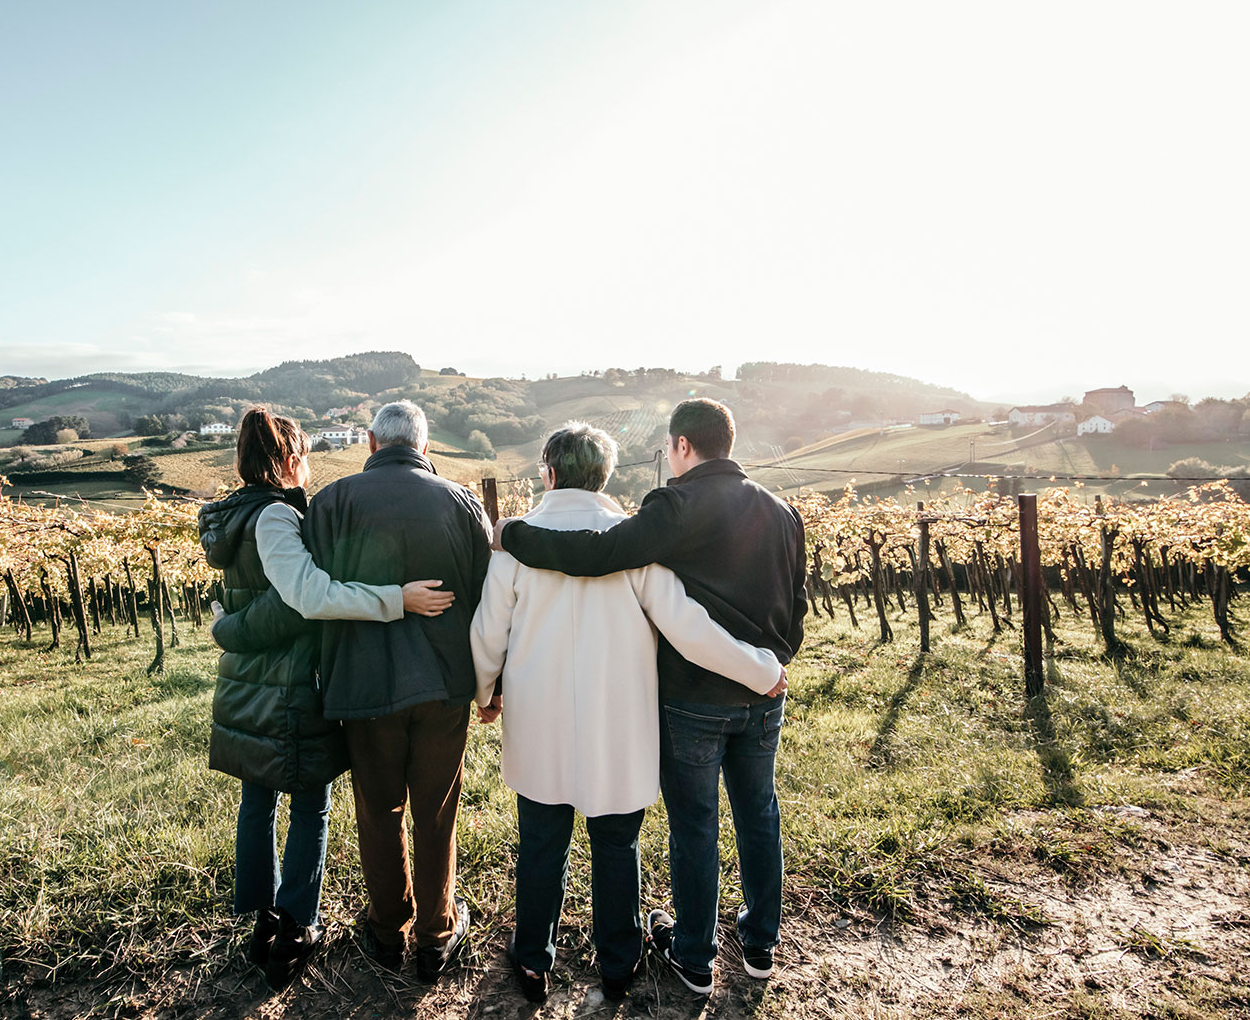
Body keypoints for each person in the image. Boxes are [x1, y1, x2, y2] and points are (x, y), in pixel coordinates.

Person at [496, 398, 806, 994]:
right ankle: (758, 946)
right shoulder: (782, 510)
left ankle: (693, 957)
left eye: (668, 448)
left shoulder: (675, 505)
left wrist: (513, 535)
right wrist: (771, 665)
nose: (668, 458)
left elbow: (599, 554)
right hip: (765, 690)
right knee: (759, 814)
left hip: (695, 698)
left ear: (683, 446)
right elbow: (796, 605)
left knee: (694, 824)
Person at [198, 407, 455, 990]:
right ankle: (295, 924)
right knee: (308, 803)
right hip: (289, 685)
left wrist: (228, 628)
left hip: (249, 683)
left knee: (258, 799)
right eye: (305, 455)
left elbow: (249, 602)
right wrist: (396, 598)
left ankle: (262, 920)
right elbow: (305, 596)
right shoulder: (275, 516)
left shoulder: (232, 519)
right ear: (288, 459)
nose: (310, 466)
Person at [290, 400, 491, 983]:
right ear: (425, 448)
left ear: (372, 443)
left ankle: (386, 933)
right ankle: (436, 934)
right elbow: (484, 599)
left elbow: (318, 593)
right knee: (437, 811)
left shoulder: (329, 503)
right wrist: (489, 684)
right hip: (445, 684)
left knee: (378, 810)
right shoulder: (461, 503)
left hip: (362, 684)